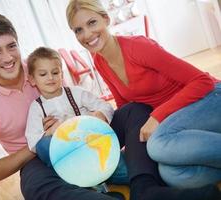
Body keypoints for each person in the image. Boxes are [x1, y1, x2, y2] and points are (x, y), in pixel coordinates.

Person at [66, 0, 221, 200]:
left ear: (106, 19)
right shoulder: (100, 62)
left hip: (210, 99)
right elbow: (128, 108)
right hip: (179, 120)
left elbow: (202, 81)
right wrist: (131, 148)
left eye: (92, 23)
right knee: (171, 175)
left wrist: (157, 116)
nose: (87, 34)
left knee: (157, 145)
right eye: (78, 30)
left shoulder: (138, 47)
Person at [0, 11, 130, 200]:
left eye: (11, 46)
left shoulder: (42, 67)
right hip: (37, 159)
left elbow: (78, 100)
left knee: (132, 111)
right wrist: (41, 141)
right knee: (35, 187)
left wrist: (92, 119)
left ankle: (143, 182)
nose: (7, 58)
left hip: (83, 133)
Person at [24, 46, 128, 187]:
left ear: (62, 74)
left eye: (55, 72)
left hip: (96, 150)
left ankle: (103, 180)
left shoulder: (77, 93)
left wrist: (99, 115)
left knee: (127, 173)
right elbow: (33, 142)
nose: (50, 78)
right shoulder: (36, 108)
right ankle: (87, 185)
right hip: (70, 161)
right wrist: (50, 131)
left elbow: (105, 106)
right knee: (43, 145)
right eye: (43, 74)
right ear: (32, 79)